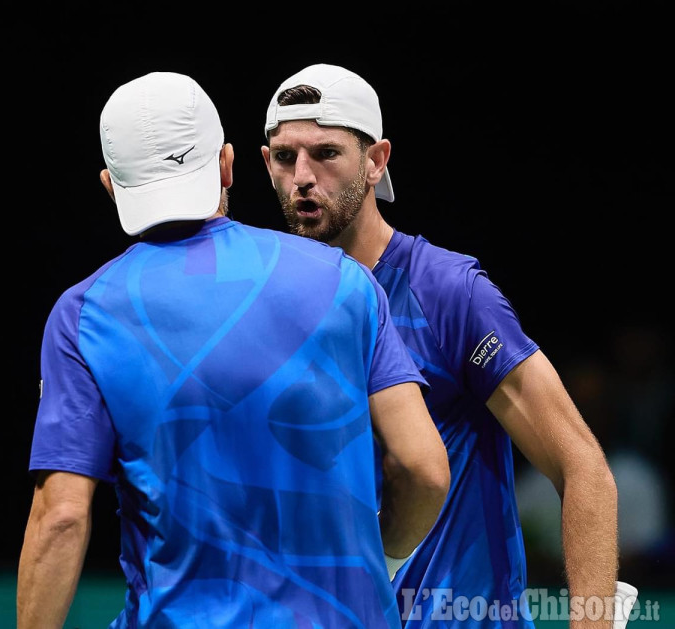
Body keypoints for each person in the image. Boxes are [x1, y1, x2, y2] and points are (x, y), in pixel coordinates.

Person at [16, 71, 451, 629]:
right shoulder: (346, 282)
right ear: (226, 164)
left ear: (110, 186)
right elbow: (423, 469)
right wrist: (378, 567)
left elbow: (61, 518)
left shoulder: (83, 316)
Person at [261, 63, 628, 628]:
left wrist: (593, 622)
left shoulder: (450, 292)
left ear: (377, 159)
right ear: (265, 164)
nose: (303, 176)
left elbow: (583, 469)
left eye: (326, 153)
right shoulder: (269, 305)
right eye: (285, 157)